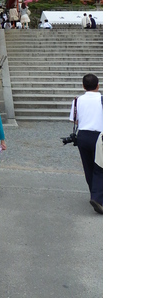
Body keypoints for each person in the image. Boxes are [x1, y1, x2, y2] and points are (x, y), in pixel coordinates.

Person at [69, 73, 103, 214]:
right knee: (100, 167)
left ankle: (94, 194)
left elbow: (75, 120)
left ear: (83, 86)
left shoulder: (77, 100)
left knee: (88, 166)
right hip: (99, 136)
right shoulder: (103, 99)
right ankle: (98, 197)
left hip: (82, 135)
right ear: (98, 85)